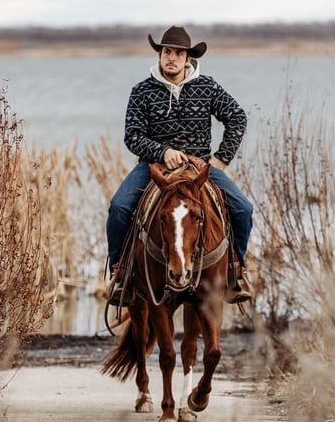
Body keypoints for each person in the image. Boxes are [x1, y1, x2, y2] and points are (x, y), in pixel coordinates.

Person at [105, 25, 253, 305]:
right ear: (160, 55)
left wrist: (220, 159)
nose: (171, 57)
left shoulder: (207, 87)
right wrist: (162, 151)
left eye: (178, 53)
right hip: (154, 167)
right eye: (167, 52)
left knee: (243, 209)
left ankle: (235, 273)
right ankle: (120, 274)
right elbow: (132, 136)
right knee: (119, 207)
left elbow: (237, 117)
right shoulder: (142, 91)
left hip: (199, 169)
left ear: (188, 59)